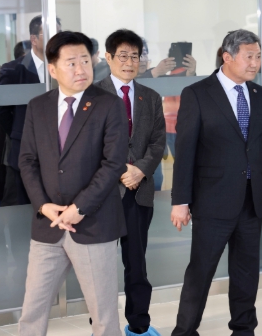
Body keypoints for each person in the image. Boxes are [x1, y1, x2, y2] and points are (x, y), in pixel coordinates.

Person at [169, 29, 262, 336]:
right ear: (228, 57)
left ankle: (243, 329)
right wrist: (180, 201)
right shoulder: (197, 93)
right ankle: (185, 331)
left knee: (246, 273)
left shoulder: (260, 95)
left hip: (252, 200)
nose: (255, 63)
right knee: (200, 272)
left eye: (258, 56)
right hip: (212, 201)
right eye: (249, 57)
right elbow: (185, 152)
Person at [17, 31, 128, 336]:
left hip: (92, 224)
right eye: (71, 63)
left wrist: (79, 208)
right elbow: (27, 161)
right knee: (32, 311)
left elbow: (113, 164)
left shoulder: (109, 105)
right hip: (48, 225)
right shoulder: (38, 106)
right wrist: (44, 205)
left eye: (85, 61)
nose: (81, 69)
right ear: (53, 69)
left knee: (103, 317)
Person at [95, 29, 166, 336]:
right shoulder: (93, 95)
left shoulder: (150, 97)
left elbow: (158, 142)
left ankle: (139, 326)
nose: (129, 62)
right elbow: (89, 144)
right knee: (100, 267)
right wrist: (121, 169)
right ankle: (103, 326)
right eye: (122, 56)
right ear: (108, 58)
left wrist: (140, 170)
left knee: (136, 263)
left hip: (139, 192)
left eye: (134, 56)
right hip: (103, 195)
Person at [0, 15, 62, 205]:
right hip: (25, 154)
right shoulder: (13, 69)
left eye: (59, 34)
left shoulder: (65, 67)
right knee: (23, 208)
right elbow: (0, 110)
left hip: (60, 154)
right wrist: (22, 134)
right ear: (34, 39)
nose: (57, 39)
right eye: (50, 34)